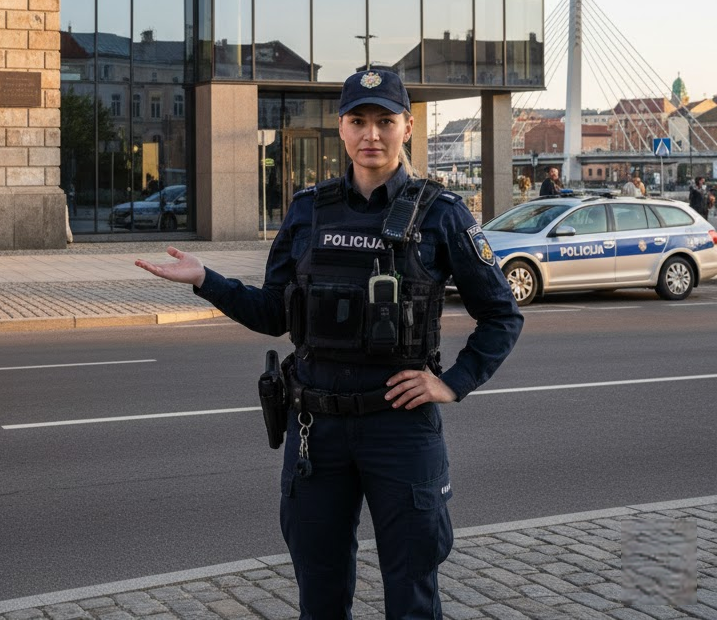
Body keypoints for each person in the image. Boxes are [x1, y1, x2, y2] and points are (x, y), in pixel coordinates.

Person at [135, 67, 523, 620]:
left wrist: (453, 383)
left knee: (412, 591)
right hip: (316, 431)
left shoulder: (442, 213)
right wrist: (206, 280)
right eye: (358, 120)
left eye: (384, 121)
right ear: (340, 128)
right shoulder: (307, 210)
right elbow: (273, 313)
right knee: (319, 592)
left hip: (400, 430)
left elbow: (501, 315)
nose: (371, 134)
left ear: (407, 127)